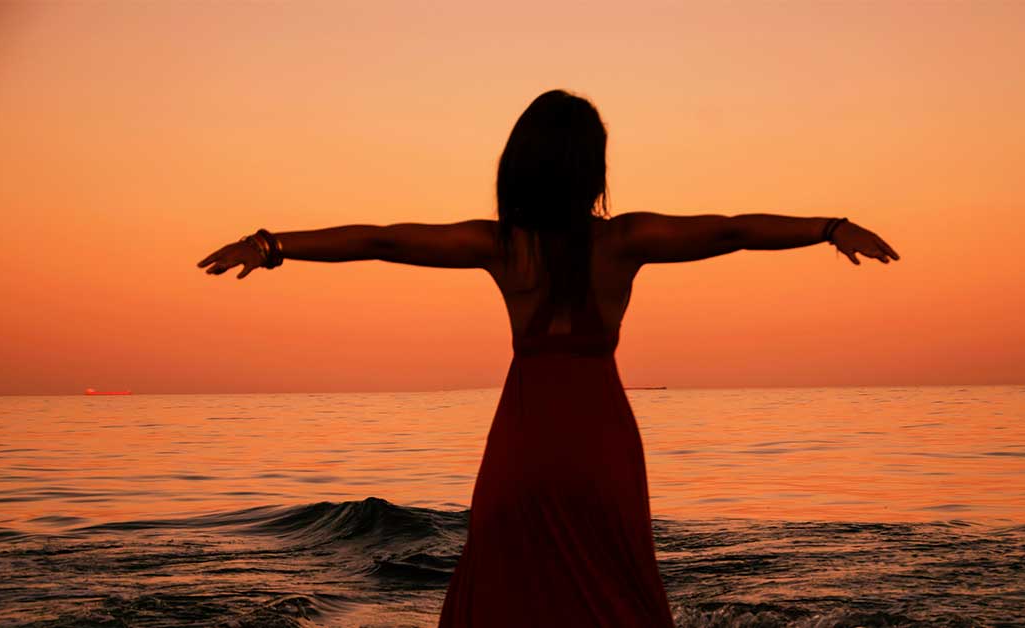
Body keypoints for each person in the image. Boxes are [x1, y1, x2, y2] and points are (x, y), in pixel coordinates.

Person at [197, 89, 899, 627]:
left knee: (508, 579)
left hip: (525, 444)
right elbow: (733, 230)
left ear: (520, 168)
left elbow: (382, 239)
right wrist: (829, 228)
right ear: (593, 169)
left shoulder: (504, 247)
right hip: (599, 443)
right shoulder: (624, 242)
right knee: (614, 579)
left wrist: (272, 244)